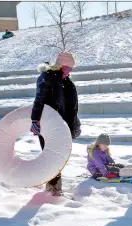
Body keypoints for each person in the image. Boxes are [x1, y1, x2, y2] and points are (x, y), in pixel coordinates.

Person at [30, 52, 81, 195]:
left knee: (58, 156)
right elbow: (39, 99)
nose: (70, 70)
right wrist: (35, 120)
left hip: (62, 125)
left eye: (71, 68)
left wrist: (73, 126)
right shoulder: (47, 78)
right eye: (68, 67)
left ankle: (54, 187)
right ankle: (53, 189)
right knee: (50, 155)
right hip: (48, 123)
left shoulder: (67, 82)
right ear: (60, 65)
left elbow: (72, 108)